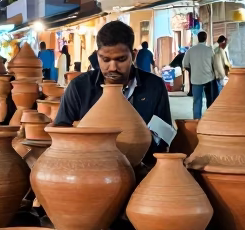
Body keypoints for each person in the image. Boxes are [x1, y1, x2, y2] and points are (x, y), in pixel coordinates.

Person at [55, 20, 172, 159]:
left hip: (142, 166)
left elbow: (164, 137)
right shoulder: (79, 87)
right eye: (105, 59)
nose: (112, 67)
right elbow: (61, 130)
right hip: (90, 167)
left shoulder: (154, 86)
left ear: (133, 56)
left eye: (121, 59)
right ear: (97, 56)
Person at [182, 31, 217, 118]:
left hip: (196, 79)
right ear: (206, 38)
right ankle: (209, 119)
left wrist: (193, 70)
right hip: (208, 79)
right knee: (210, 100)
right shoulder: (210, 50)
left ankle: (197, 121)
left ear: (198, 38)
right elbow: (214, 65)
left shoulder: (191, 50)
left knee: (197, 100)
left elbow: (185, 64)